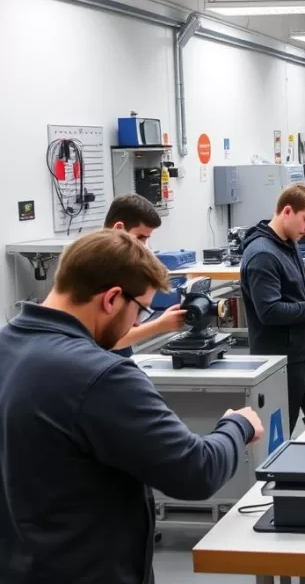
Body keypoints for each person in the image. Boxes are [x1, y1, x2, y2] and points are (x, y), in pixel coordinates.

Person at [0, 229, 263, 584]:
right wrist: (237, 426)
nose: (138, 324)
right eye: (139, 311)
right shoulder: (101, 375)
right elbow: (195, 471)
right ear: (111, 299)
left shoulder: (7, 346)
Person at [240, 183, 305, 434]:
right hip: (280, 362)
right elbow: (270, 312)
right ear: (287, 211)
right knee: (280, 431)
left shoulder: (288, 243)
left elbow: (299, 286)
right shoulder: (262, 255)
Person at [103, 193, 187, 357]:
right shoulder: (101, 271)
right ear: (119, 229)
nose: (143, 246)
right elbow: (109, 340)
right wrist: (159, 325)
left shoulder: (122, 265)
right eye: (140, 237)